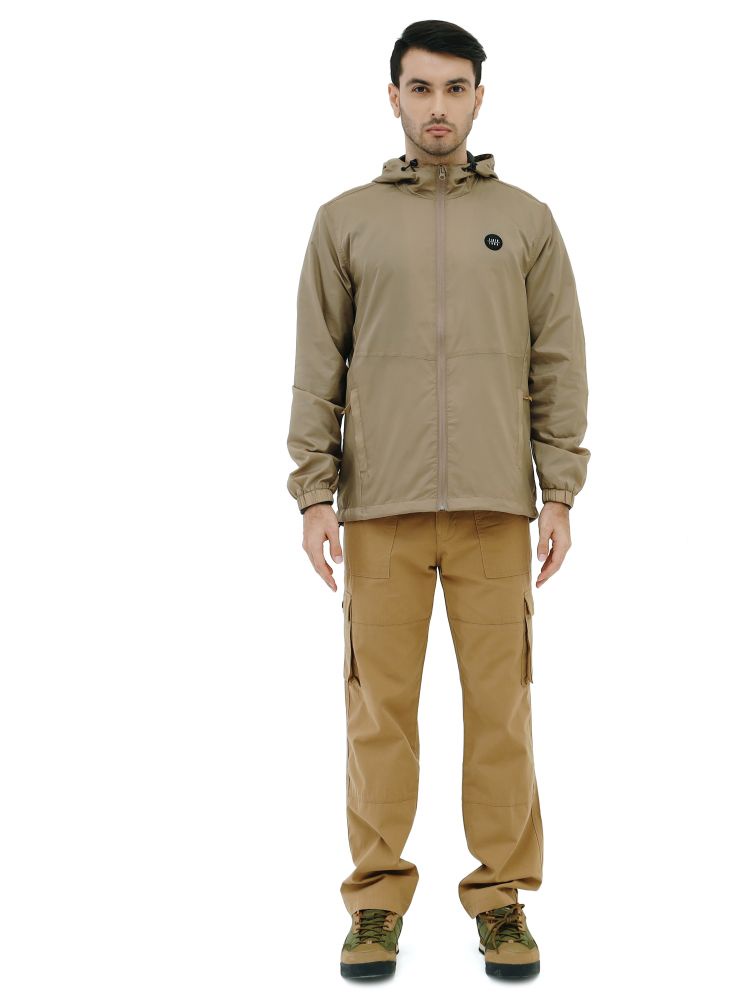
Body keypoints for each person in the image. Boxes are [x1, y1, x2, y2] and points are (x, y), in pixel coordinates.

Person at [286, 20, 590, 980]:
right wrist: (314, 493)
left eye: (456, 89)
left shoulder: (527, 220)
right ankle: (376, 900)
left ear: (479, 98)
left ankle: (501, 899)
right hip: (379, 510)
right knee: (380, 714)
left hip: (497, 508)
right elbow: (317, 367)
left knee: (501, 712)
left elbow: (558, 362)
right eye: (420, 89)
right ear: (393, 97)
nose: (438, 107)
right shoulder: (346, 221)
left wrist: (558, 490)